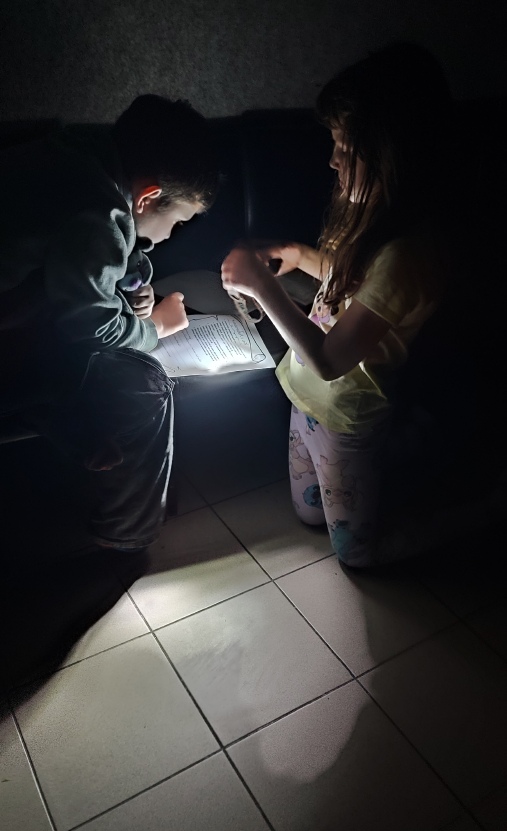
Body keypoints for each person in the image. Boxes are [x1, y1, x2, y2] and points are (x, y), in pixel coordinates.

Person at [221, 43, 457, 569]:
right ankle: (405, 447)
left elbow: (330, 361)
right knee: (307, 514)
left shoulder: (407, 256)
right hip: (305, 402)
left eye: (346, 148)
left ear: (394, 156)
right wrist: (298, 254)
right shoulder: (372, 221)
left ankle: (469, 507)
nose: (332, 160)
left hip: (348, 418)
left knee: (356, 554)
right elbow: (350, 278)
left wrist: (263, 287)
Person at [0, 94, 219, 550]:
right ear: (149, 197)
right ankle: (126, 537)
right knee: (135, 378)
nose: (173, 234)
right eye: (178, 222)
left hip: (18, 302)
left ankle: (52, 412)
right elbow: (92, 326)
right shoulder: (98, 212)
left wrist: (138, 282)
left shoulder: (86, 154)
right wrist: (156, 327)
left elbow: (112, 251)